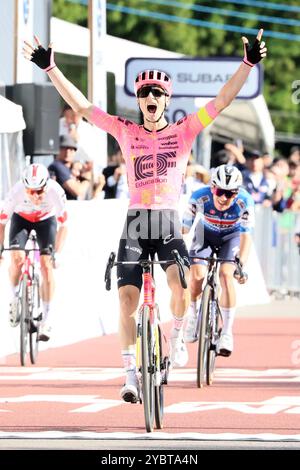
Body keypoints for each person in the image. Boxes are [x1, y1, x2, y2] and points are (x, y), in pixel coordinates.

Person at [23, 29, 267, 402]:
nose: (150, 97)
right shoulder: (125, 131)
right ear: (138, 101)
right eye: (143, 93)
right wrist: (51, 68)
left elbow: (221, 100)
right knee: (125, 300)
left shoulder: (185, 131)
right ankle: (130, 374)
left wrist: (247, 64)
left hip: (168, 220)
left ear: (167, 100)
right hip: (136, 222)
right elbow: (85, 107)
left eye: (157, 93)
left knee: (181, 285)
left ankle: (180, 334)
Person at [182, 165, 254, 356]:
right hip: (205, 234)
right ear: (212, 187)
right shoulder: (199, 197)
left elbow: (246, 237)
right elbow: (184, 229)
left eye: (229, 194)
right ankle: (193, 314)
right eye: (220, 191)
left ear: (237, 193)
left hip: (232, 237)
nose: (223, 198)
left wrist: (241, 264)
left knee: (225, 275)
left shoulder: (245, 201)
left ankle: (227, 332)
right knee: (197, 275)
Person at [0, 164, 68, 341]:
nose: (35, 196)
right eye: (31, 191)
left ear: (47, 185)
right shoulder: (15, 192)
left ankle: (47, 317)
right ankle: (15, 298)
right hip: (21, 219)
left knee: (46, 266)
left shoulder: (56, 191)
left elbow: (64, 225)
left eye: (39, 191)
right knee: (16, 259)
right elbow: (2, 223)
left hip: (46, 220)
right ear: (24, 187)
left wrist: (57, 253)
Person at [48, 135, 92, 200]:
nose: (67, 152)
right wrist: (86, 179)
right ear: (57, 150)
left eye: (71, 149)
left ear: (75, 152)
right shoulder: (56, 166)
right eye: (64, 148)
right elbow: (77, 191)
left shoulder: (71, 167)